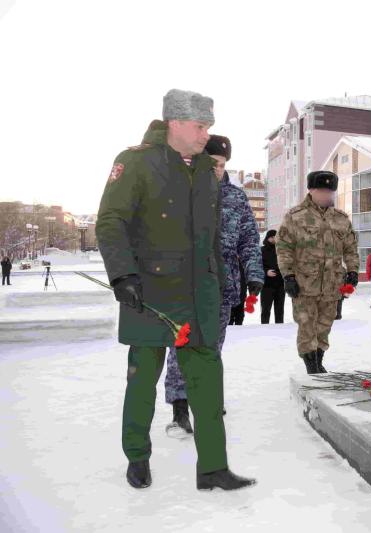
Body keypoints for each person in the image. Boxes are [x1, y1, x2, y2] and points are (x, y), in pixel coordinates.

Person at [96, 89, 255, 491]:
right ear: (176, 123)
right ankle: (137, 456)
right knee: (142, 379)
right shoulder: (134, 162)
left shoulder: (205, 170)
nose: (206, 134)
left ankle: (213, 468)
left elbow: (212, 234)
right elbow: (111, 222)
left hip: (200, 293)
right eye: (201, 126)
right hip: (150, 291)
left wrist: (222, 287)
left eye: (208, 127)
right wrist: (122, 277)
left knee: (207, 379)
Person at [163, 134, 263, 435]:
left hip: (221, 286)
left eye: (222, 164)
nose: (217, 169)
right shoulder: (179, 193)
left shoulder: (235, 197)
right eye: (212, 163)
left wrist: (254, 273)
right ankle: (179, 408)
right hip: (183, 286)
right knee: (182, 346)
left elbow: (249, 241)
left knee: (212, 347)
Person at [277, 171, 359, 374]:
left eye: (330, 191)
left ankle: (319, 359)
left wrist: (353, 271)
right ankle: (311, 366)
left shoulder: (341, 219)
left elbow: (350, 248)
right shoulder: (295, 216)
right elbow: (284, 247)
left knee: (324, 325)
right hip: (304, 284)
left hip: (332, 285)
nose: (327, 195)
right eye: (322, 191)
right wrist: (288, 276)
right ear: (311, 190)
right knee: (307, 325)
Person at [260, 230, 285, 324]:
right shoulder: (262, 250)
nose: (274, 238)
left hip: (280, 284)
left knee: (279, 310)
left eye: (275, 236)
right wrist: (266, 272)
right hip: (267, 285)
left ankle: (279, 330)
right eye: (272, 237)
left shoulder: (282, 250)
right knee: (265, 310)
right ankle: (264, 329)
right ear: (268, 238)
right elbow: (258, 266)